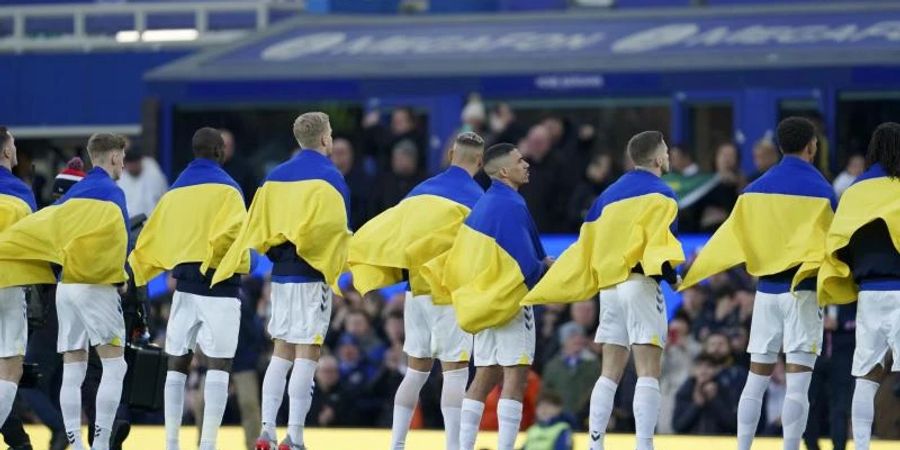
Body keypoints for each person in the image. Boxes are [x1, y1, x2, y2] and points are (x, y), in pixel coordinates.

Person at [680, 117, 837, 450]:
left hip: (766, 293)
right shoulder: (823, 191)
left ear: (779, 146)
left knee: (755, 379)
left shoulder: (752, 191)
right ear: (812, 146)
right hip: (803, 294)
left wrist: (690, 276)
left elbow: (724, 241)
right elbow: (836, 248)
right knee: (798, 386)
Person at [523, 130, 684, 450]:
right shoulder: (663, 194)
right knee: (649, 371)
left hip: (609, 290)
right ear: (656, 158)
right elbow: (659, 250)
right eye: (665, 151)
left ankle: (596, 443)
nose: (668, 156)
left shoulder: (607, 196)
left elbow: (587, 245)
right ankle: (644, 445)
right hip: (640, 285)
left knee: (609, 371)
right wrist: (674, 278)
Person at [212, 112, 351, 450]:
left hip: (281, 277)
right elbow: (335, 234)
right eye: (330, 134)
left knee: (281, 352)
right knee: (308, 352)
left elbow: (258, 224)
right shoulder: (331, 178)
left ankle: (266, 433)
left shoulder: (274, 177)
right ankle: (296, 436)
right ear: (324, 139)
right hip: (310, 275)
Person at [348, 131, 486, 450]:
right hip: (451, 294)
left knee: (415, 371)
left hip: (416, 293)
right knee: (454, 372)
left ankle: (397, 443)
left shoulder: (418, 192)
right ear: (479, 162)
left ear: (451, 154)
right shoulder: (478, 199)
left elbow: (392, 232)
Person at [0, 133, 131, 450]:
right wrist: (120, 277)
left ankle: (73, 439)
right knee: (115, 365)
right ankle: (99, 443)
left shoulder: (71, 197)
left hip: (67, 289)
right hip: (96, 288)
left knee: (74, 366)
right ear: (114, 158)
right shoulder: (111, 194)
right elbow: (117, 243)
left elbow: (41, 229)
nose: (124, 164)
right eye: (123, 158)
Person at [127, 127, 249, 450]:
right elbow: (235, 237)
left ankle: (171, 443)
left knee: (176, 363)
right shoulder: (229, 190)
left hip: (183, 289)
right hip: (220, 289)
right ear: (220, 152)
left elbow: (154, 236)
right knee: (219, 365)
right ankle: (207, 443)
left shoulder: (174, 192)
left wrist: (145, 269)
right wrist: (215, 264)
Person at [424, 143, 551, 450]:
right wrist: (547, 270)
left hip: (483, 305)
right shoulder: (513, 205)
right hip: (510, 304)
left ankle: (463, 446)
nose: (527, 164)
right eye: (520, 161)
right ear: (504, 171)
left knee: (484, 376)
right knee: (516, 378)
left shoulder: (484, 205)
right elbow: (525, 263)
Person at [815, 122, 900, 450]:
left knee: (866, 377)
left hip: (869, 294)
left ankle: (861, 446)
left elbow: (838, 242)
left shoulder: (854, 191)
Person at [0, 127, 38, 430]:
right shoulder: (21, 192)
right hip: (10, 284)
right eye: (13, 145)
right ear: (6, 152)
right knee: (11, 364)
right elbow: (36, 241)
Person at [672, 353, 737, 434]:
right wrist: (696, 405)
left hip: (718, 444)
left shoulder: (725, 390)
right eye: (699, 366)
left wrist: (714, 400)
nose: (704, 370)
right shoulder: (684, 392)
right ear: (693, 370)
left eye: (709, 366)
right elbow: (677, 426)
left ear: (716, 370)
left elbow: (733, 425)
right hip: (690, 444)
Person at [116, 149, 168, 219]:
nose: (133, 167)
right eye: (131, 164)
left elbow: (164, 197)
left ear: (140, 161)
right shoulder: (121, 181)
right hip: (131, 225)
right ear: (125, 164)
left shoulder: (154, 173)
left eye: (135, 163)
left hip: (154, 221)